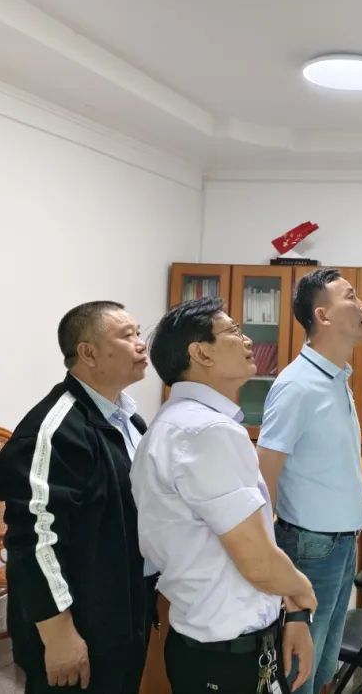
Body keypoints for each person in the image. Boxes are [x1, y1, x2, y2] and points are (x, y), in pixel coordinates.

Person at [131, 297, 317, 694]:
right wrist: (302, 591)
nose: (248, 341)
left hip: (210, 643)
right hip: (227, 658)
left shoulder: (176, 423)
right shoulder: (205, 432)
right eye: (233, 331)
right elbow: (258, 561)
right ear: (201, 353)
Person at [0, 301, 151, 693]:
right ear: (88, 353)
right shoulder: (54, 431)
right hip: (79, 621)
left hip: (121, 607)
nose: (141, 344)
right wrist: (58, 633)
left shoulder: (128, 418)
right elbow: (34, 539)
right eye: (127, 335)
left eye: (139, 332)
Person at [257, 268, 362, 694]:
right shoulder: (297, 386)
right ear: (322, 316)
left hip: (342, 545)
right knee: (297, 675)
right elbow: (263, 479)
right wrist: (274, 568)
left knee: (322, 669)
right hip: (310, 549)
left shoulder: (337, 377)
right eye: (350, 297)